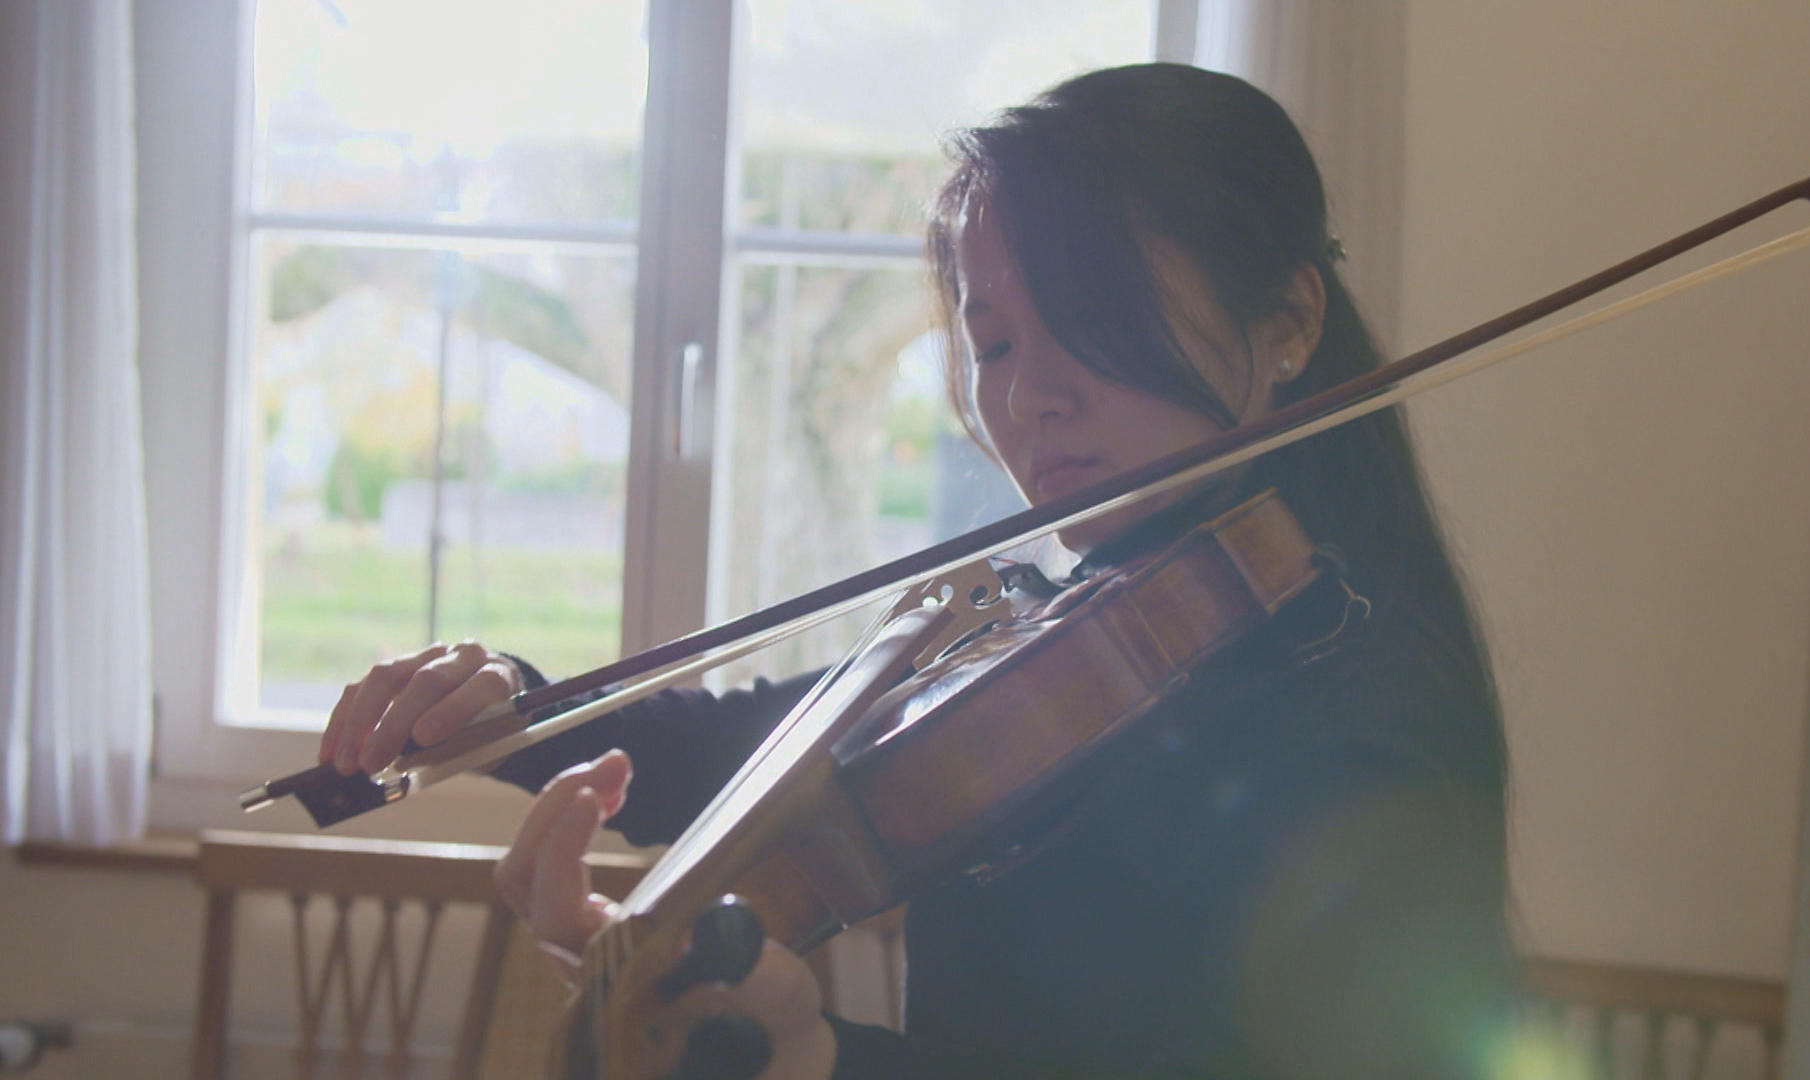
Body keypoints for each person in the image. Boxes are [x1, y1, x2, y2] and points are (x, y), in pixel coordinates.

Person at [319, 63, 1515, 1079]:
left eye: (1092, 316)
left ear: (1291, 323)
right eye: (992, 341)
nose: (1026, 398)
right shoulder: (1073, 634)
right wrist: (518, 714)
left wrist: (821, 1057)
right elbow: (749, 756)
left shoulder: (1367, 709)